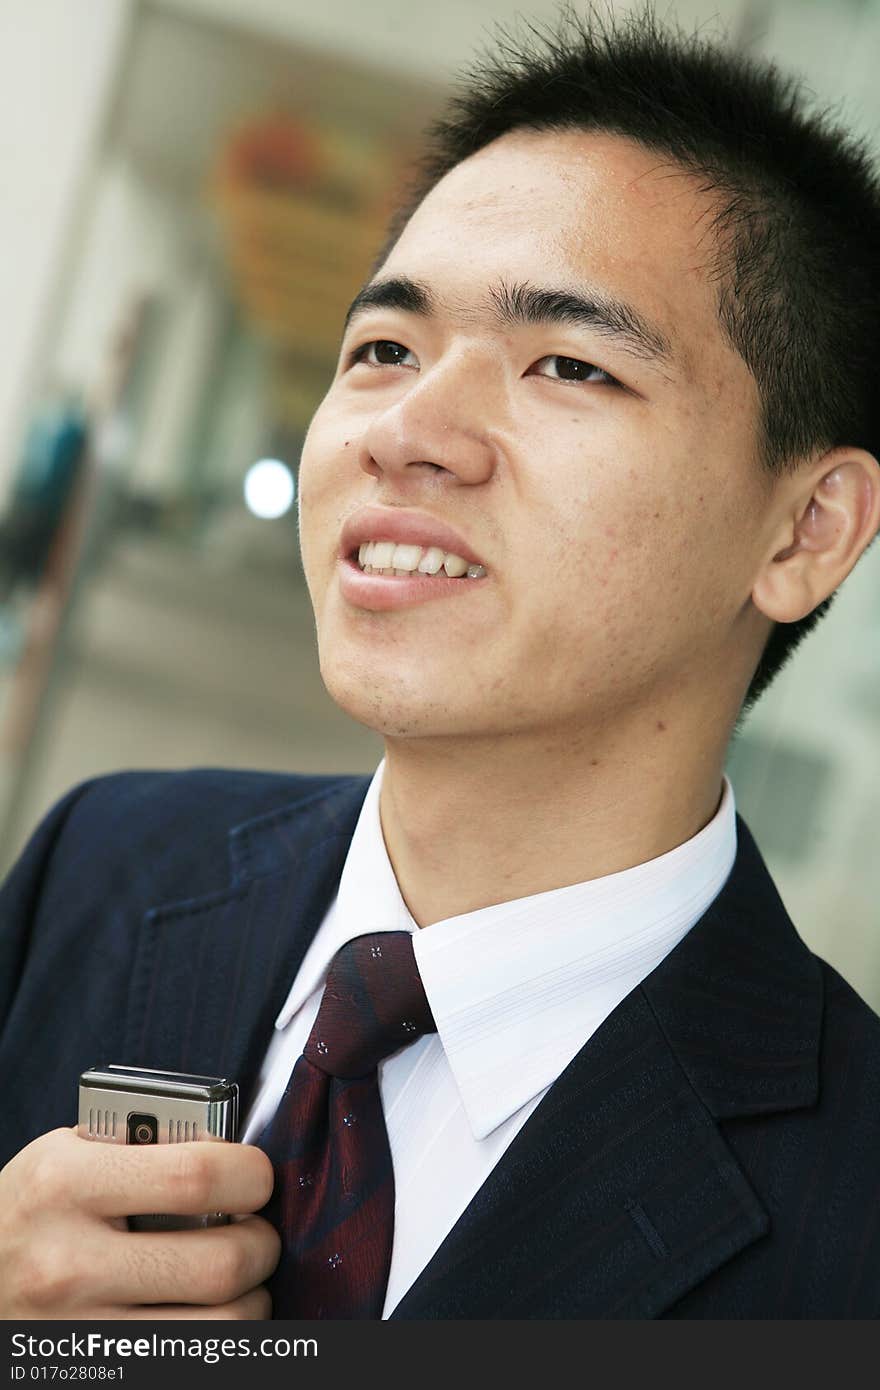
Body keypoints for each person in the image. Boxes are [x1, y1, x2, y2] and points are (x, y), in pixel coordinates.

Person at [1, 6, 879, 1320]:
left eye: (569, 364)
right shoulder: (106, 862)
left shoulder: (848, 1217)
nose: (409, 429)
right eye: (385, 349)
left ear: (805, 530)